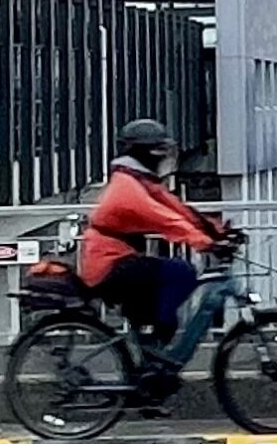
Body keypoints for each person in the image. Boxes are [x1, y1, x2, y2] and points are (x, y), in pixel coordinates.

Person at [79, 119, 226, 389]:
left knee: (164, 286)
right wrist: (206, 244)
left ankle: (150, 362)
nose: (164, 157)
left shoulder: (137, 179)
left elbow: (176, 208)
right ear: (145, 153)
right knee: (180, 273)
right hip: (108, 266)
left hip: (116, 261)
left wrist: (215, 231)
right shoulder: (128, 189)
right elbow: (165, 220)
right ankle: (155, 344)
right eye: (158, 151)